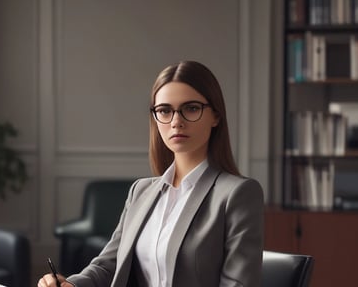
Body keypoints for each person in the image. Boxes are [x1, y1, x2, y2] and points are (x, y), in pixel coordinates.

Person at [38, 60, 264, 287]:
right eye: (165, 111)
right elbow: (109, 264)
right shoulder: (141, 190)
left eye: (191, 108)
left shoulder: (238, 194)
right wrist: (70, 284)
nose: (176, 122)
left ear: (215, 115)